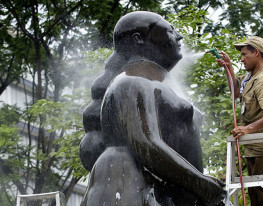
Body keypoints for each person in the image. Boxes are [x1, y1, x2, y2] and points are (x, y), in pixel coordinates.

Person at [80, 11, 226, 206]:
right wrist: (201, 184)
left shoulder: (153, 84)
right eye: (170, 31)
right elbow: (145, 144)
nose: (179, 36)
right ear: (138, 39)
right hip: (132, 192)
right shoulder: (131, 81)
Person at [216, 36, 263, 205]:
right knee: (254, 192)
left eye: (244, 55)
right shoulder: (251, 75)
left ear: (256, 52)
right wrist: (229, 69)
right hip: (254, 144)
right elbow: (236, 92)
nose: (241, 59)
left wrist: (247, 129)